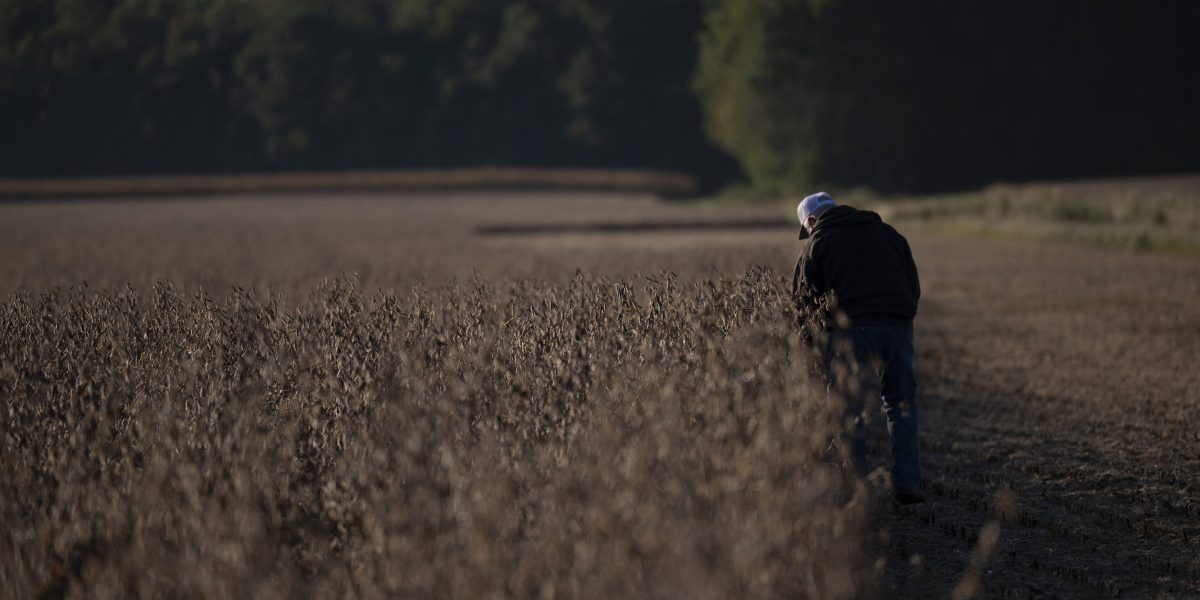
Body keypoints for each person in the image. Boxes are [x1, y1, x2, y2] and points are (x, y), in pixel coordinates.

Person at [791, 191, 924, 505]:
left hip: (850, 333)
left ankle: (858, 488)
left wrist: (809, 348)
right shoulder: (889, 234)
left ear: (810, 221)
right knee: (901, 404)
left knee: (848, 411)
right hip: (897, 327)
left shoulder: (817, 244)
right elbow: (912, 285)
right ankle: (908, 483)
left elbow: (804, 305)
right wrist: (900, 320)